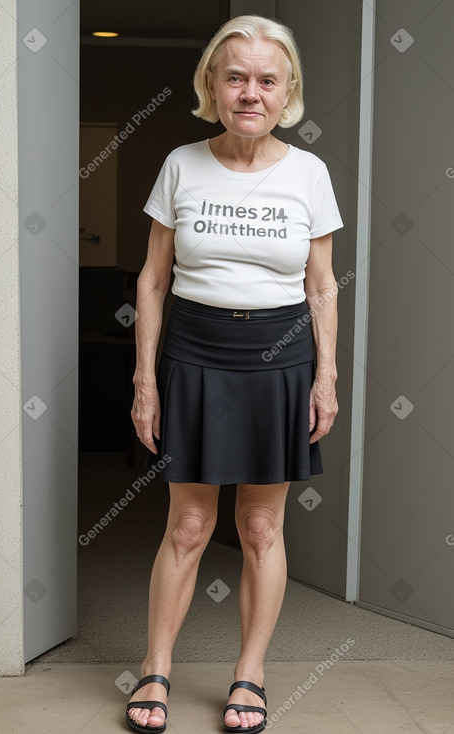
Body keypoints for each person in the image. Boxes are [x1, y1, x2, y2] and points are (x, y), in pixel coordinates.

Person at [127, 14, 343, 734]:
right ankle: (155, 669)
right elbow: (153, 281)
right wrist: (145, 381)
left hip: (279, 362)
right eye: (235, 76)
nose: (250, 92)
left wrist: (326, 377)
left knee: (257, 525)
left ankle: (248, 675)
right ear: (212, 86)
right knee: (188, 525)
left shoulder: (308, 173)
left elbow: (321, 285)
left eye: (266, 80)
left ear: (287, 94)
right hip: (194, 354)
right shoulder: (182, 164)